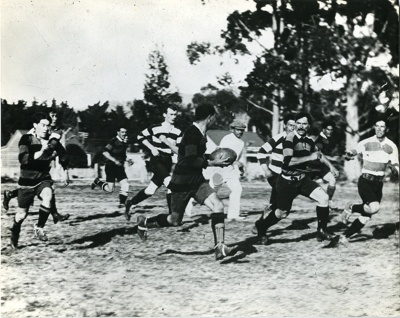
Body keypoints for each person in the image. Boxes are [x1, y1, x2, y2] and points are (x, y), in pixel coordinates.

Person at [134, 102, 236, 260]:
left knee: (218, 205)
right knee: (174, 220)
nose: (215, 119)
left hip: (197, 181)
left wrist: (213, 158)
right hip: (181, 182)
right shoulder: (192, 133)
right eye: (214, 116)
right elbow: (190, 160)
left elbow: (195, 156)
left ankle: (220, 246)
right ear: (209, 117)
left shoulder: (201, 132)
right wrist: (213, 162)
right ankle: (144, 222)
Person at [254, 112, 339, 245]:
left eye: (304, 123)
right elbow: (288, 161)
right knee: (282, 213)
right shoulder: (289, 139)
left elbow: (319, 154)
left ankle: (321, 231)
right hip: (286, 181)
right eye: (298, 123)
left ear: (308, 126)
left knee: (324, 198)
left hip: (302, 179)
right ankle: (261, 227)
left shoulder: (310, 140)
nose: (301, 126)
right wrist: (310, 158)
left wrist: (331, 166)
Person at [9, 112, 70, 249]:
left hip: (43, 178)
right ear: (35, 125)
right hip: (26, 182)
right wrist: (41, 151)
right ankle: (14, 231)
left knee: (48, 195)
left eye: (48, 126)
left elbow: (63, 154)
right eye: (42, 125)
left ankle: (39, 227)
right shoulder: (27, 139)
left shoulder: (52, 141)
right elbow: (23, 158)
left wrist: (65, 171)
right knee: (21, 215)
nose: (46, 128)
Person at [339, 119, 398, 243]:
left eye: (382, 127)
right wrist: (349, 155)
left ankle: (345, 236)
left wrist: (394, 170)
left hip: (379, 184)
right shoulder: (367, 142)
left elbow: (395, 165)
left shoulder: (392, 146)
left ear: (386, 129)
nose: (379, 129)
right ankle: (352, 207)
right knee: (374, 207)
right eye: (377, 126)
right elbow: (353, 151)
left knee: (367, 215)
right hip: (366, 181)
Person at [124, 106, 182, 220]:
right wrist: (151, 148)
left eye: (175, 115)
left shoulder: (178, 131)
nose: (173, 117)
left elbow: (178, 149)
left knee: (150, 190)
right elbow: (140, 136)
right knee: (170, 183)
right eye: (171, 114)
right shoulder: (156, 128)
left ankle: (130, 203)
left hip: (167, 161)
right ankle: (172, 216)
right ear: (165, 115)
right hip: (156, 160)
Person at [257, 113, 296, 214]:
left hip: (287, 175)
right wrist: (266, 170)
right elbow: (261, 152)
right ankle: (272, 210)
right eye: (290, 125)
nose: (292, 128)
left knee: (281, 201)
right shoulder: (278, 138)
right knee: (282, 192)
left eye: (294, 126)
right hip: (274, 174)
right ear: (285, 126)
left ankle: (270, 209)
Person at [91, 127, 133, 208]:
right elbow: (105, 152)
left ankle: (122, 203)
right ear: (118, 133)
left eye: (125, 132)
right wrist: (114, 161)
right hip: (110, 166)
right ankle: (98, 182)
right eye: (122, 132)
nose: (124, 134)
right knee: (110, 190)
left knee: (125, 184)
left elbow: (122, 156)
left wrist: (128, 160)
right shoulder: (113, 141)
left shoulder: (124, 143)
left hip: (120, 167)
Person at [309, 120, 340, 209]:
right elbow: (319, 154)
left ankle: (329, 201)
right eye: (328, 129)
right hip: (310, 167)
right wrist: (332, 159)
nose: (330, 131)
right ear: (323, 129)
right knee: (298, 188)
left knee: (332, 178)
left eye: (331, 130)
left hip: (320, 167)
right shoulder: (319, 139)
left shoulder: (327, 139)